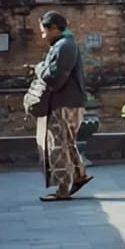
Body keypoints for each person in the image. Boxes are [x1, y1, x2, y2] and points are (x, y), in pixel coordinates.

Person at [33, 11, 91, 202]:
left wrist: (39, 68)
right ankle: (79, 175)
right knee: (67, 142)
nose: (43, 36)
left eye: (44, 31)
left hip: (63, 103)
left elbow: (55, 78)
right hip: (68, 102)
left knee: (58, 145)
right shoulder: (64, 44)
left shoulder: (65, 45)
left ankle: (62, 189)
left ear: (55, 28)